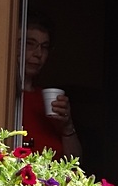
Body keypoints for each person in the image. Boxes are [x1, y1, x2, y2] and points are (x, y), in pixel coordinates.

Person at [20, 13, 82, 159]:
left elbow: (74, 162)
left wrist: (67, 126)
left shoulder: (47, 100)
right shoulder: (3, 94)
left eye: (44, 47)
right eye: (30, 44)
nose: (38, 53)